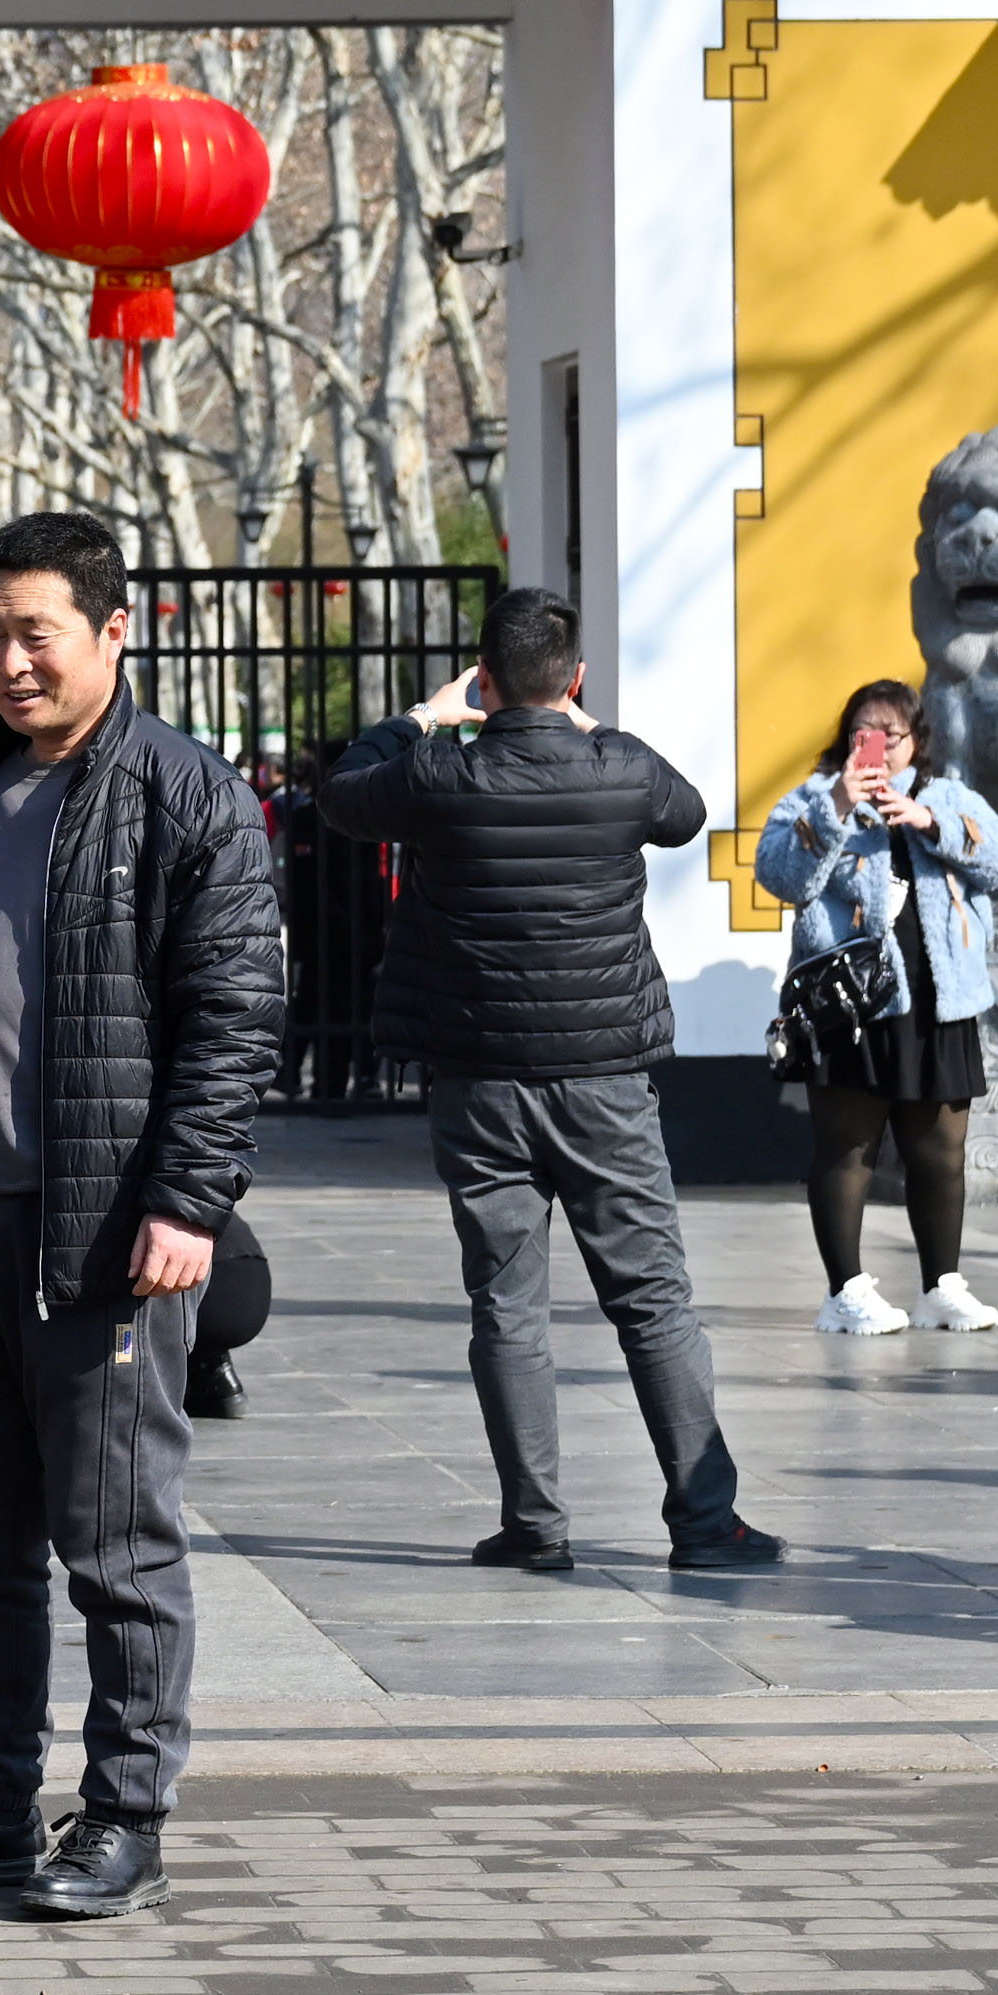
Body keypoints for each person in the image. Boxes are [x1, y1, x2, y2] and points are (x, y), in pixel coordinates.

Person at [0, 512, 278, 1928]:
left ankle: (127, 1811)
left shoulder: (184, 796)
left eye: (38, 633)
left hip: (97, 1234)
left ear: (112, 630)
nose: (10, 662)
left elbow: (234, 1016)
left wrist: (186, 1199)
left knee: (115, 1542)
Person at [311, 586, 772, 1579]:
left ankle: (535, 1524)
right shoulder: (621, 770)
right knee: (653, 1302)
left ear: (482, 679)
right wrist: (584, 719)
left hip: (478, 1082)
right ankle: (704, 1522)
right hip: (606, 1079)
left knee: (506, 1306)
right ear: (574, 676)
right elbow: (687, 811)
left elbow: (342, 788)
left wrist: (422, 719)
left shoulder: (438, 774)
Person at [752, 682, 998, 1336]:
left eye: (889, 734)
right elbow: (779, 873)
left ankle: (941, 1286)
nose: (875, 745)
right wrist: (840, 801)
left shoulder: (944, 795)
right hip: (850, 1006)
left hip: (938, 1001)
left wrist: (931, 823)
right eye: (861, 732)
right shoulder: (815, 798)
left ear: (914, 741)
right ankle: (843, 1291)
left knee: (940, 1153)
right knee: (847, 1149)